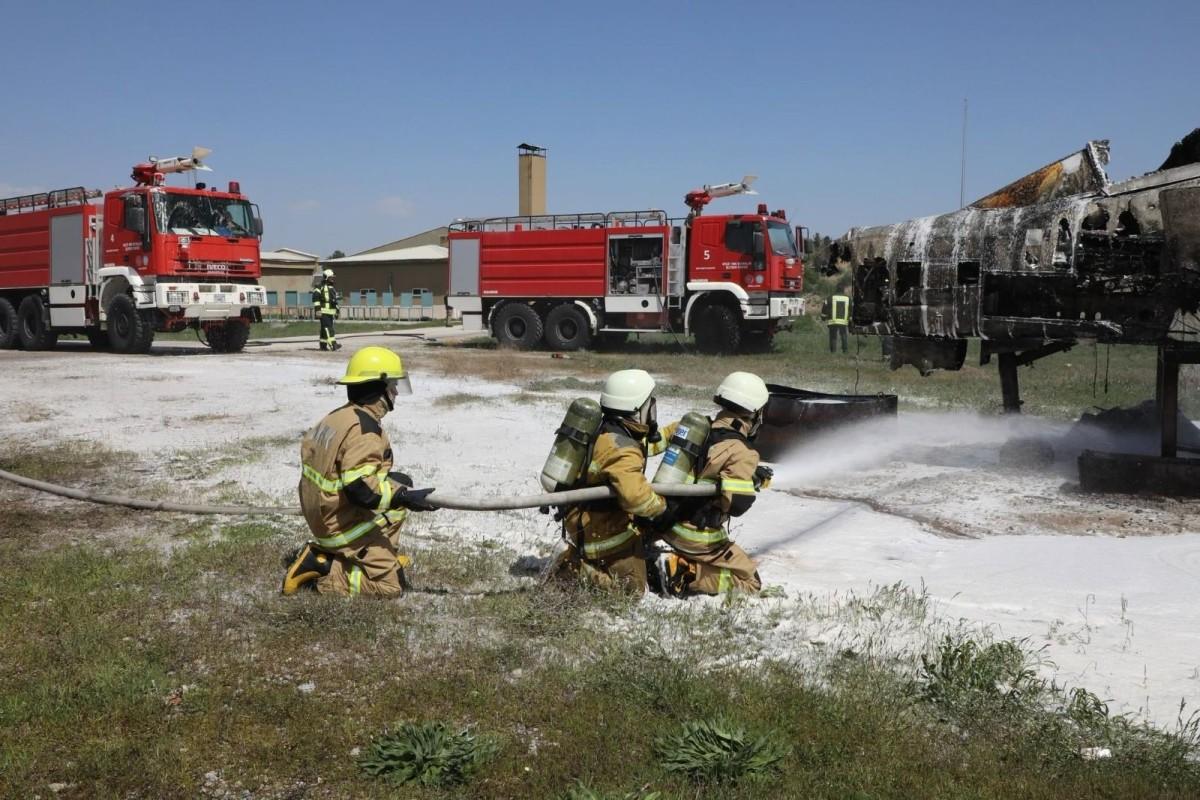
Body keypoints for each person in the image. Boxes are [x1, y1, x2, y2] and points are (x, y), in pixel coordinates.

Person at [282, 346, 437, 597]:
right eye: (392, 386)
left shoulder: (339, 416)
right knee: (391, 588)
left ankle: (381, 557)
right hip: (338, 523)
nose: (396, 392)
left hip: (321, 509)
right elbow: (361, 491)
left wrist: (401, 490)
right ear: (377, 388)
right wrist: (405, 497)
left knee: (400, 484)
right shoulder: (364, 432)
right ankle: (324, 567)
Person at [551, 369, 676, 594]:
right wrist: (663, 508)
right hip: (599, 530)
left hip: (579, 516)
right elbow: (636, 498)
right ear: (636, 408)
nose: (651, 412)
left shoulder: (607, 431)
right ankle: (574, 567)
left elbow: (644, 447)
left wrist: (675, 431)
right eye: (649, 405)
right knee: (630, 590)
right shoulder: (622, 450)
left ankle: (581, 559)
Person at [652, 371, 771, 597]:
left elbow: (706, 463)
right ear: (753, 413)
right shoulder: (743, 452)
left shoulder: (695, 428)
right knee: (750, 582)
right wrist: (750, 482)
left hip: (665, 523)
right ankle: (684, 572)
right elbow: (736, 505)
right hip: (697, 538)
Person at [314, 269, 340, 351]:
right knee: (328, 328)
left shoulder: (332, 288)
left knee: (324, 329)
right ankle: (333, 344)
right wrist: (318, 310)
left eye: (333, 277)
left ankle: (323, 345)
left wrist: (337, 310)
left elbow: (334, 301)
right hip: (323, 311)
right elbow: (315, 298)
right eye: (330, 277)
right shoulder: (320, 286)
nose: (332, 279)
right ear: (326, 278)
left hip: (331, 312)